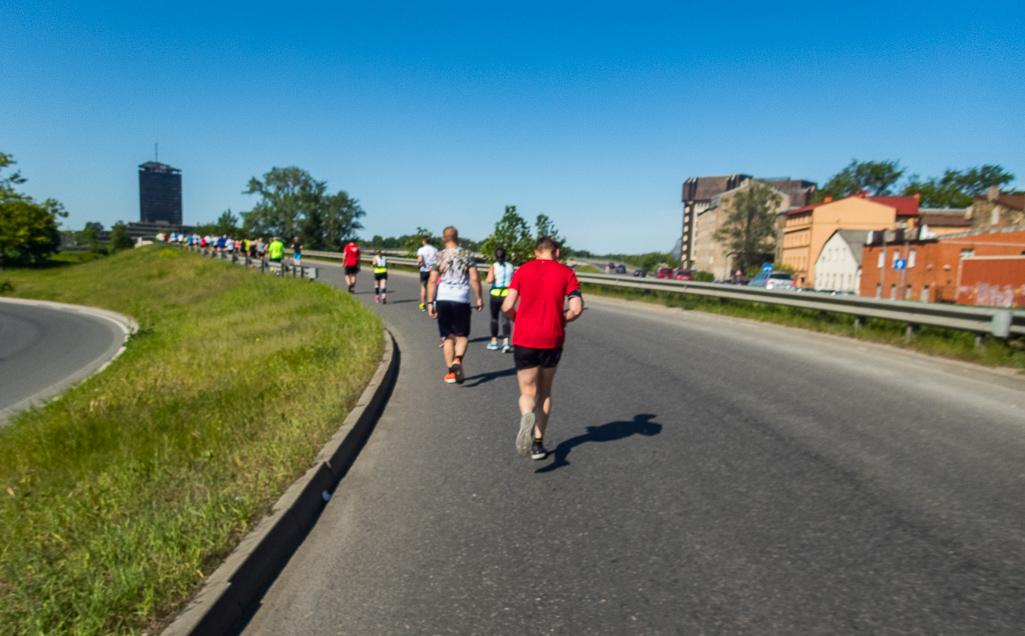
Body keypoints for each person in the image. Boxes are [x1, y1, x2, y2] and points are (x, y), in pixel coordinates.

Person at [502, 236, 583, 460]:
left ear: (536, 253)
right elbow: (576, 309)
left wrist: (517, 318)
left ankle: (526, 415)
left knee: (527, 392)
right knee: (545, 391)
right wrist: (563, 319)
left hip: (524, 338)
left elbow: (507, 305)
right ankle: (538, 444)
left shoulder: (522, 271)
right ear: (557, 253)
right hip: (552, 338)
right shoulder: (567, 273)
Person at [427, 226, 483, 384]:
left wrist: (431, 302)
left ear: (443, 239)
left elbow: (432, 280)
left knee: (447, 337)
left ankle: (450, 372)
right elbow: (475, 278)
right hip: (461, 299)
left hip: (443, 298)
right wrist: (479, 298)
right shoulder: (467, 254)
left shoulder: (439, 256)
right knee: (462, 336)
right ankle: (458, 360)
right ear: (457, 239)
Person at [485, 248, 515, 353]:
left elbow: (489, 280)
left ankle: (494, 342)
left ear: (495, 256)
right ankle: (506, 343)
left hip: (495, 294)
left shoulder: (493, 266)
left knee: (494, 318)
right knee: (505, 319)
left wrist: (491, 272)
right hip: (506, 294)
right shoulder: (510, 266)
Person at [416, 236, 439, 311]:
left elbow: (420, 259)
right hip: (433, 270)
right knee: (433, 286)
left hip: (424, 270)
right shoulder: (435, 249)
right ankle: (434, 303)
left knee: (423, 287)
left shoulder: (421, 250)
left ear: (423, 241)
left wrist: (418, 265)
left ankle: (424, 305)